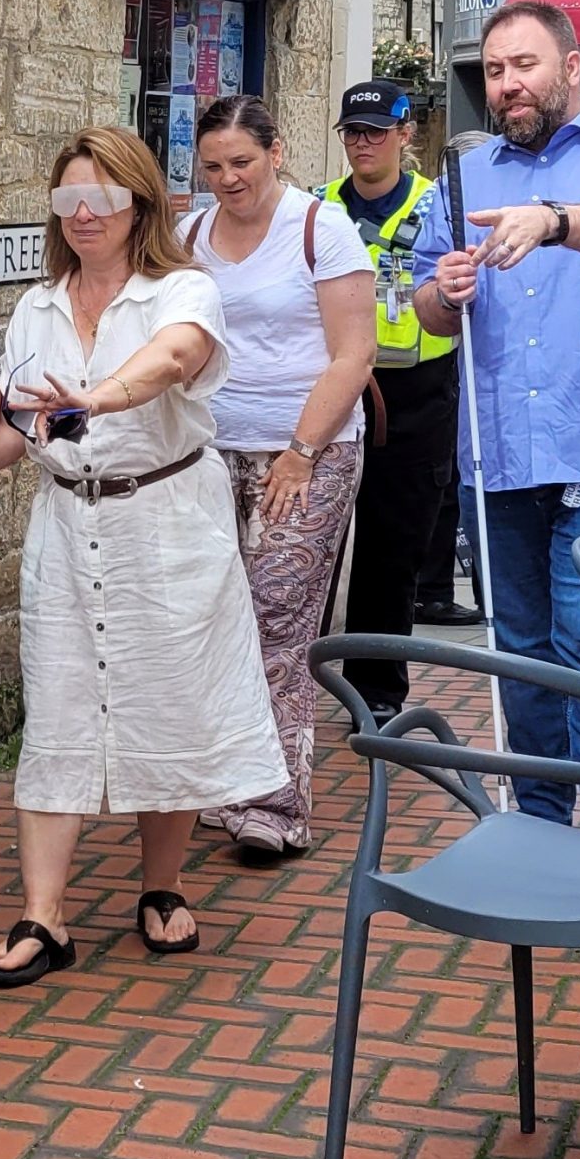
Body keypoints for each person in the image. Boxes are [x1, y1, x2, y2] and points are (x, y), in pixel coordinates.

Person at [0, 127, 286, 981]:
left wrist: (98, 394)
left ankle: (160, 886)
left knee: (165, 702)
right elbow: (23, 426)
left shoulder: (183, 292)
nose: (84, 214)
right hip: (67, 523)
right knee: (58, 708)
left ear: (140, 206)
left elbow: (173, 361)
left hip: (164, 520)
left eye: (105, 198)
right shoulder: (38, 308)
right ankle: (43, 917)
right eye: (68, 200)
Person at [411, 0, 580, 835]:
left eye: (524, 66)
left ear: (571, 66)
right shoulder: (466, 176)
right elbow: (427, 308)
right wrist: (444, 293)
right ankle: (533, 820)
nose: (508, 86)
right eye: (495, 72)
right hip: (498, 457)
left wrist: (555, 222)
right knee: (520, 651)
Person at [181, 96, 377, 860]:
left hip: (307, 450)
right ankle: (224, 778)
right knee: (213, 617)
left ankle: (277, 801)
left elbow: (352, 355)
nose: (229, 179)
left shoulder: (318, 228)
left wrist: (299, 453)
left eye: (242, 163)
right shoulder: (189, 234)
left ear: (277, 152)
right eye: (214, 167)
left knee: (277, 619)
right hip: (208, 452)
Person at [328, 80, 460, 711]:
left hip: (415, 393)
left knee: (392, 547)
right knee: (313, 541)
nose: (363, 144)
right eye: (353, 132)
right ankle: (304, 676)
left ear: (406, 134)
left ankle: (377, 689)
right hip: (337, 385)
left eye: (376, 131)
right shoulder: (321, 206)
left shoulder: (440, 206)